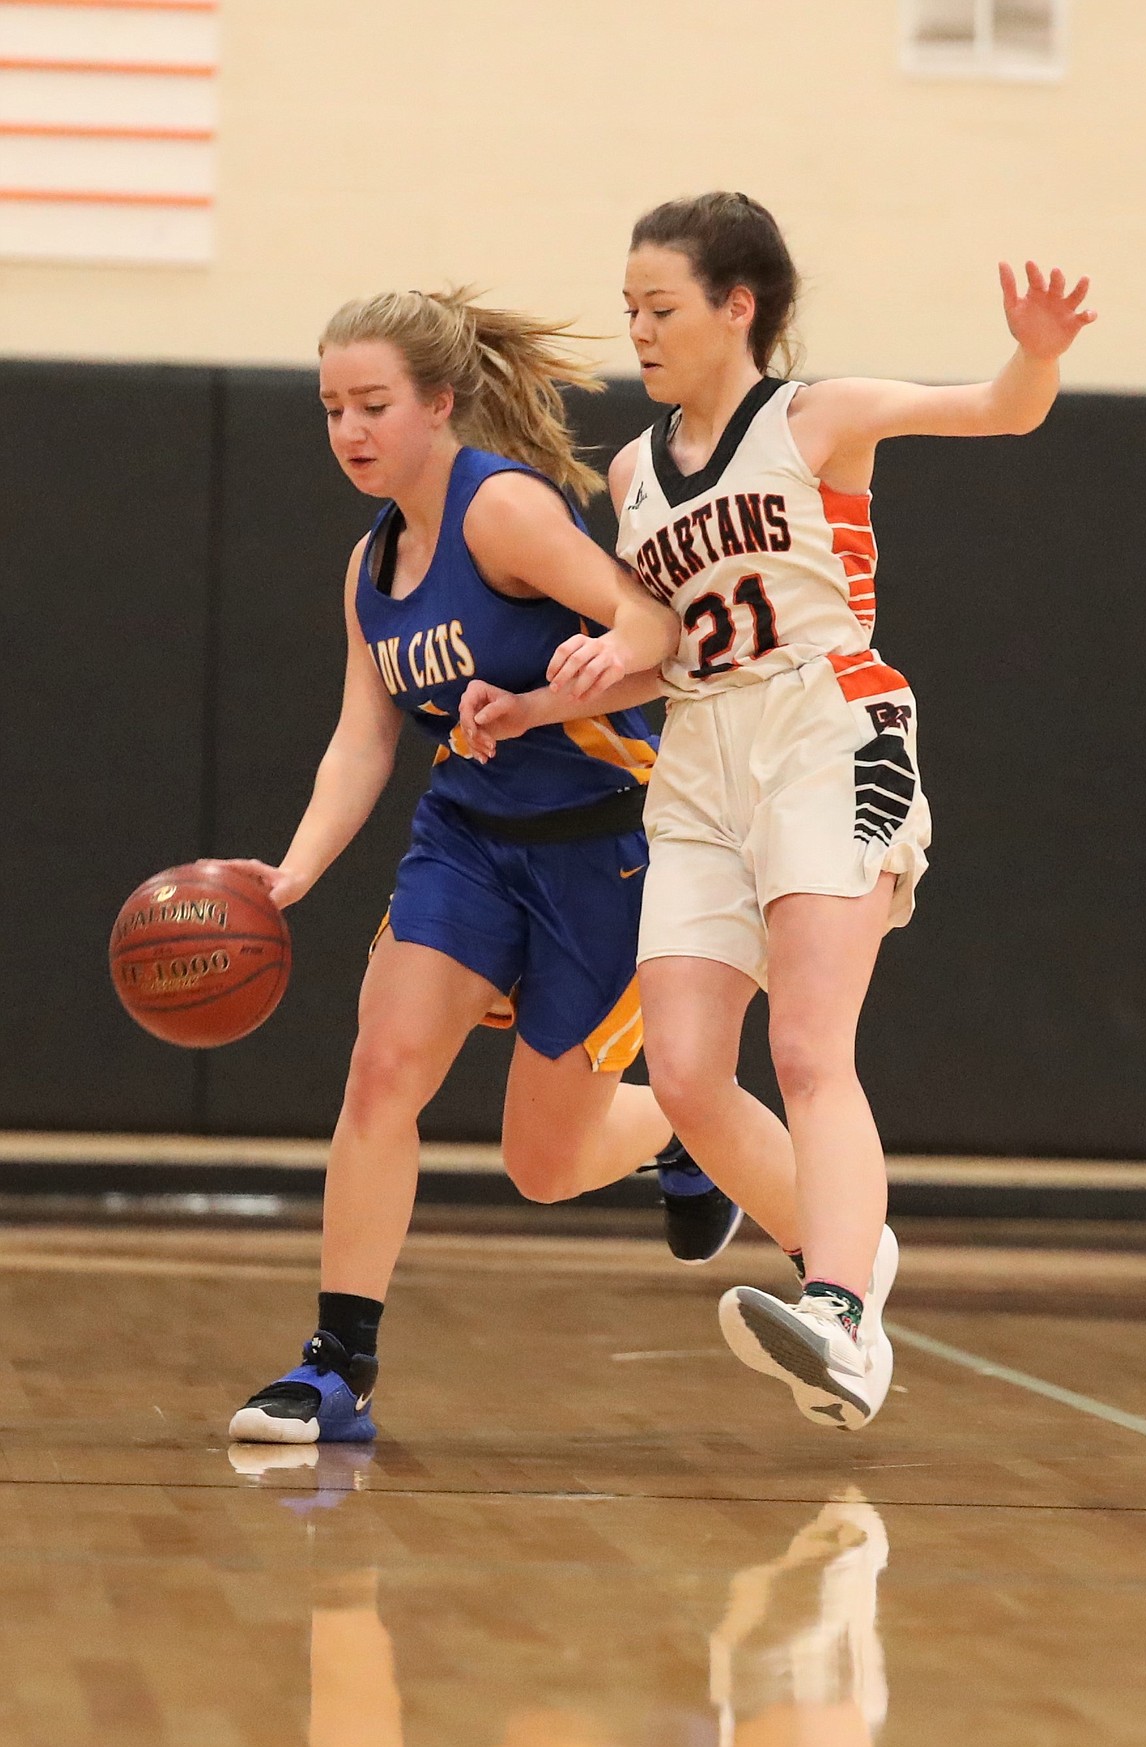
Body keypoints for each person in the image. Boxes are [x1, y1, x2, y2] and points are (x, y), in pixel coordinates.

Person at [460, 193, 1096, 1431]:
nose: (636, 330)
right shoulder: (638, 470)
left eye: (661, 307)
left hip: (825, 729)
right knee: (690, 1077)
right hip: (700, 758)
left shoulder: (818, 417)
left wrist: (1036, 353)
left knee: (807, 1048)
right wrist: (540, 704)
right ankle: (847, 1249)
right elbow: (669, 652)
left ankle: (845, 1315)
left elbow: (995, 411)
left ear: (736, 308)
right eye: (630, 307)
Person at [227, 286, 743, 1446]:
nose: (350, 431)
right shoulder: (370, 570)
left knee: (544, 1165)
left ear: (439, 403)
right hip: (464, 844)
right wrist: (296, 869)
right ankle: (338, 1365)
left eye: (372, 404)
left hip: (604, 846)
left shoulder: (502, 511)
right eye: (330, 411)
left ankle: (667, 1126)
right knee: (382, 1072)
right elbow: (364, 736)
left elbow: (660, 637)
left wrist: (559, 692)